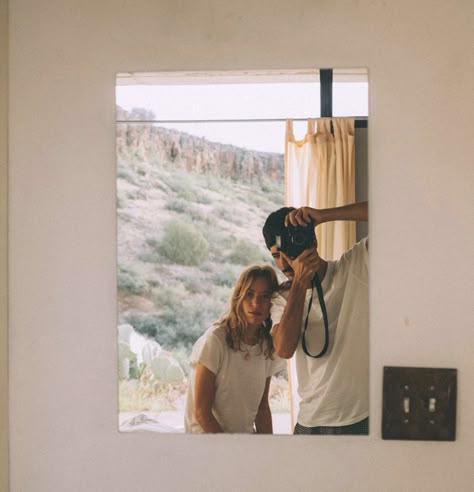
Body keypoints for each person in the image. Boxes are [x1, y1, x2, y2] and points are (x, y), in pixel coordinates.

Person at [262, 201, 369, 435]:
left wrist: (324, 215)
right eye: (276, 255)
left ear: (313, 242)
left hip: (359, 418)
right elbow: (284, 349)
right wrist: (299, 283)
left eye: (287, 250)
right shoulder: (282, 298)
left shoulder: (354, 267)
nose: (283, 263)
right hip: (309, 421)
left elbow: (393, 213)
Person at [184, 265, 286, 434]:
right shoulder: (216, 339)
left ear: (272, 304)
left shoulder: (267, 346)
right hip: (207, 443)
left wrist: (268, 452)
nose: (256, 303)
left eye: (264, 296)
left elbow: (262, 409)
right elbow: (202, 412)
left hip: (243, 444)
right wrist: (229, 450)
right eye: (249, 294)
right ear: (238, 297)